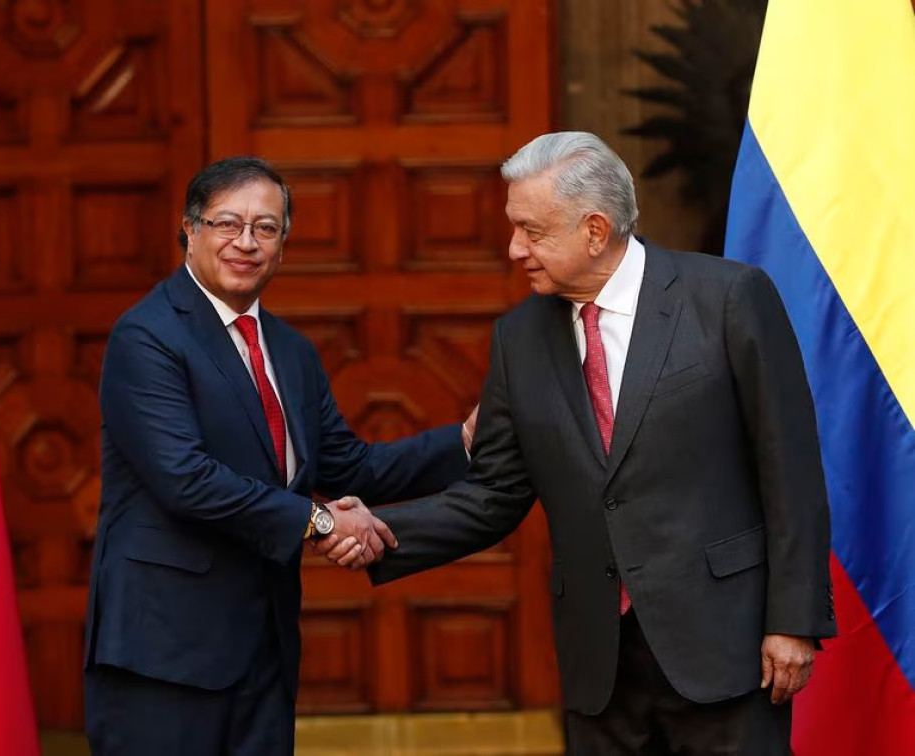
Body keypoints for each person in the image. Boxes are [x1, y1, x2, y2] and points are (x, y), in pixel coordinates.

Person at [338, 132, 835, 754]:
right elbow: (493, 494)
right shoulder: (519, 338)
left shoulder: (728, 299)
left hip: (726, 645)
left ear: (596, 230)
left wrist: (793, 622)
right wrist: (379, 531)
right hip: (599, 662)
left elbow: (789, 470)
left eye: (532, 231)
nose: (515, 248)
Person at [83, 155, 474, 755]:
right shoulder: (148, 336)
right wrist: (320, 523)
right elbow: (185, 479)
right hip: (164, 654)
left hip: (262, 649)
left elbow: (350, 467)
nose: (247, 242)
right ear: (189, 230)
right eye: (227, 224)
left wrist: (464, 443)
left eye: (266, 228)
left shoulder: (289, 351)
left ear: (283, 245)